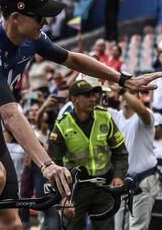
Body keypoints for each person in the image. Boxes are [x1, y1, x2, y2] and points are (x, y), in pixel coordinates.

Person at [0, 0, 162, 230]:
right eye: (40, 17)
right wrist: (46, 165)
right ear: (15, 17)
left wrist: (124, 79)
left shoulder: (31, 39)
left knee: (11, 225)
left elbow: (73, 60)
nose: (46, 23)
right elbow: (11, 115)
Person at [48, 80, 129, 230]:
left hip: (104, 187)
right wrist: (63, 197)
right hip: (75, 190)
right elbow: (54, 164)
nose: (93, 98)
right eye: (87, 95)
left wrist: (118, 177)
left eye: (94, 94)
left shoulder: (105, 117)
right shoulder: (61, 125)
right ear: (74, 99)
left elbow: (120, 152)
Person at [109, 84, 159, 230]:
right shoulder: (114, 115)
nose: (126, 96)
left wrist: (123, 91)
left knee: (137, 228)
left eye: (132, 93)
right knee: (118, 228)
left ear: (138, 98)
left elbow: (142, 110)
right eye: (125, 93)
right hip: (120, 181)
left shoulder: (145, 114)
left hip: (142, 180)